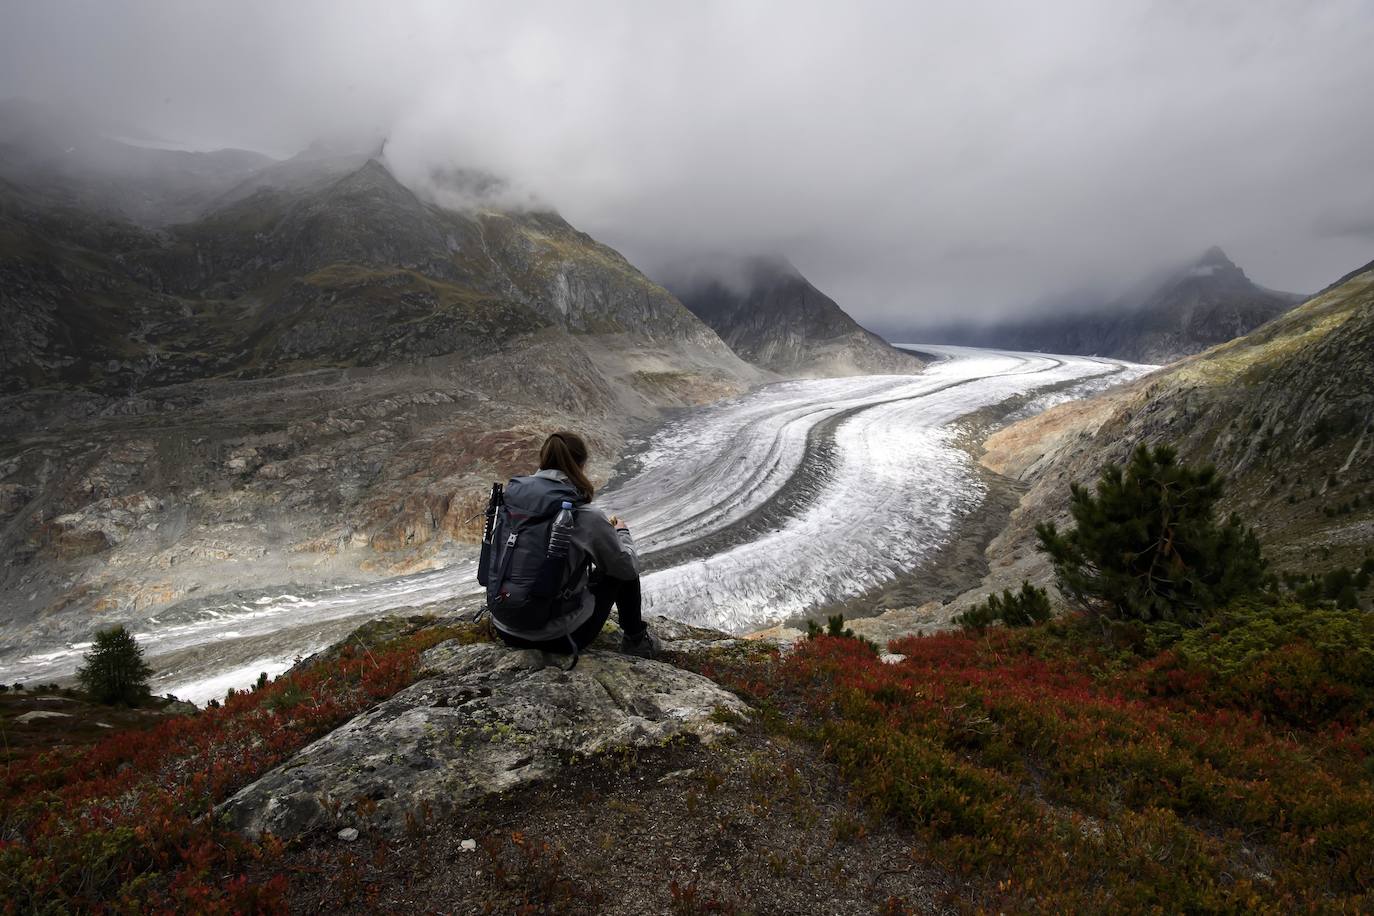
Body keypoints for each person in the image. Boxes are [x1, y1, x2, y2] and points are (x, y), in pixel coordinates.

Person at [486, 431, 660, 659]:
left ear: (543, 459)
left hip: (504, 627)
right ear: (581, 464)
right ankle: (636, 641)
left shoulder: (511, 501)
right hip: (559, 637)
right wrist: (622, 533)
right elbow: (626, 568)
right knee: (621, 565)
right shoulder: (582, 513)